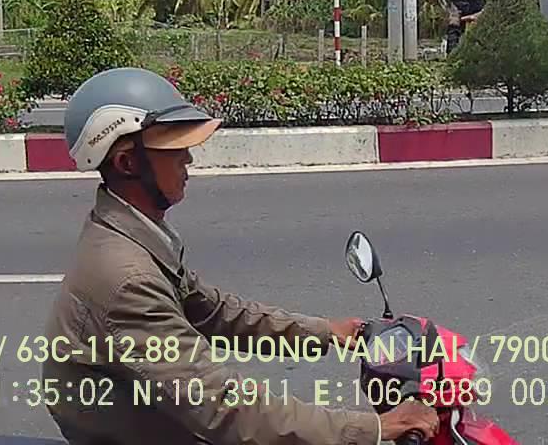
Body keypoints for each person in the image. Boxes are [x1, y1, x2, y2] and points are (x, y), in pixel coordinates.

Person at [42, 67, 441, 445]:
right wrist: (375, 427)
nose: (188, 158)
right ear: (127, 162)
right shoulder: (128, 279)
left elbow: (217, 312)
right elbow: (224, 406)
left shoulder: (135, 234)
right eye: (174, 148)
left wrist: (327, 333)